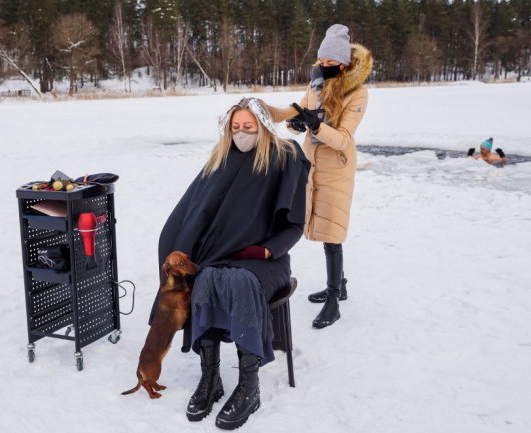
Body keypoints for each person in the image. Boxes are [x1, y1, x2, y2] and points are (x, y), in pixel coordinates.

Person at [155, 97, 309, 430]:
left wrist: (265, 251)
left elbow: (296, 225)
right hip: (221, 255)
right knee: (206, 278)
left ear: (263, 127)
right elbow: (195, 213)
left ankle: (249, 386)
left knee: (238, 281)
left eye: (248, 128)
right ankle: (210, 378)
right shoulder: (221, 161)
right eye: (235, 127)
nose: (241, 133)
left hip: (266, 260)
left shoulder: (286, 159)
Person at [268, 24, 373, 329]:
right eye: (321, 61)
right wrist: (296, 125)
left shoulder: (358, 93)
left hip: (336, 167)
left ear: (344, 63)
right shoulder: (315, 84)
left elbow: (343, 139)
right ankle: (338, 285)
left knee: (332, 233)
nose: (324, 67)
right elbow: (297, 112)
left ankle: (333, 298)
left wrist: (316, 127)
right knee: (317, 224)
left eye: (331, 63)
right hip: (310, 165)